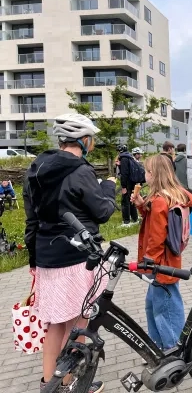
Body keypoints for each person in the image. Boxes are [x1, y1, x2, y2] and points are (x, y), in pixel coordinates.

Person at [23, 113, 116, 393]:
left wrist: (33, 260)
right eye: (92, 140)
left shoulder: (36, 168)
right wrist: (109, 187)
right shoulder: (80, 170)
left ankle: (49, 384)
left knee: (55, 323)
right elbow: (102, 212)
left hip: (46, 257)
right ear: (84, 140)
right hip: (76, 258)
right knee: (78, 323)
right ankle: (72, 383)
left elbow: (31, 219)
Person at [130, 154, 192, 354]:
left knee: (165, 309)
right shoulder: (172, 195)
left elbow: (157, 237)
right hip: (169, 262)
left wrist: (148, 264)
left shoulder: (160, 200)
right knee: (153, 305)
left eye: (146, 171)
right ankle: (157, 346)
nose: (144, 174)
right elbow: (187, 203)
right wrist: (142, 205)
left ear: (154, 174)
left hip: (161, 265)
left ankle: (173, 350)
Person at [118, 144, 138, 226]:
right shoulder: (130, 157)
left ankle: (126, 221)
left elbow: (124, 173)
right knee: (131, 200)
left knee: (125, 201)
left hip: (127, 183)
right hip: (132, 181)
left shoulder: (124, 159)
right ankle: (134, 218)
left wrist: (123, 186)